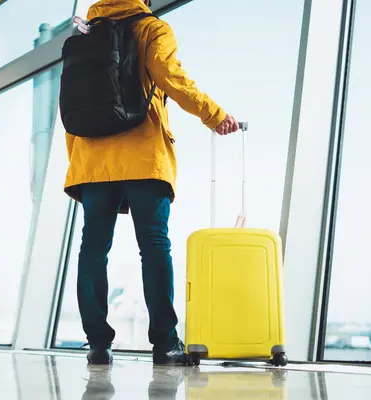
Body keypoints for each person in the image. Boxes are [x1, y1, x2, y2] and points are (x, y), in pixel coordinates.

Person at [63, 0, 239, 365]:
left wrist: (80, 164)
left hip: (92, 161)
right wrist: (213, 114)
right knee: (155, 247)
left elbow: (72, 110)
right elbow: (170, 77)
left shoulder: (84, 37)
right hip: (144, 155)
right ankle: (165, 343)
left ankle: (97, 343)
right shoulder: (152, 29)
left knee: (93, 251)